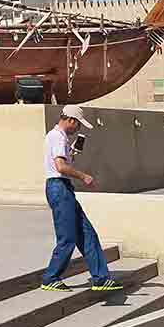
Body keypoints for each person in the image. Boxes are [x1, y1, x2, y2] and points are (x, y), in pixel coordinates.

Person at [40, 104, 123, 292]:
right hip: (58, 187)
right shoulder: (57, 138)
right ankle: (51, 277)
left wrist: (72, 155)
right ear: (71, 120)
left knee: (87, 233)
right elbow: (60, 167)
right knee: (68, 237)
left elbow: (62, 163)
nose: (78, 129)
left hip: (62, 188)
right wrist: (83, 176)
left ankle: (101, 278)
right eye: (78, 125)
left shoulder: (58, 138)